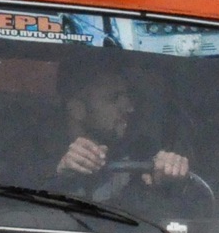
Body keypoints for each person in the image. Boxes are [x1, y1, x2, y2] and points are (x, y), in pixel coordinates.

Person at [43, 67, 191, 200]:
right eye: (113, 98)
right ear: (77, 109)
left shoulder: (143, 152)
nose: (129, 108)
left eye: (127, 98)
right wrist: (60, 175)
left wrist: (164, 176)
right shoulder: (38, 154)